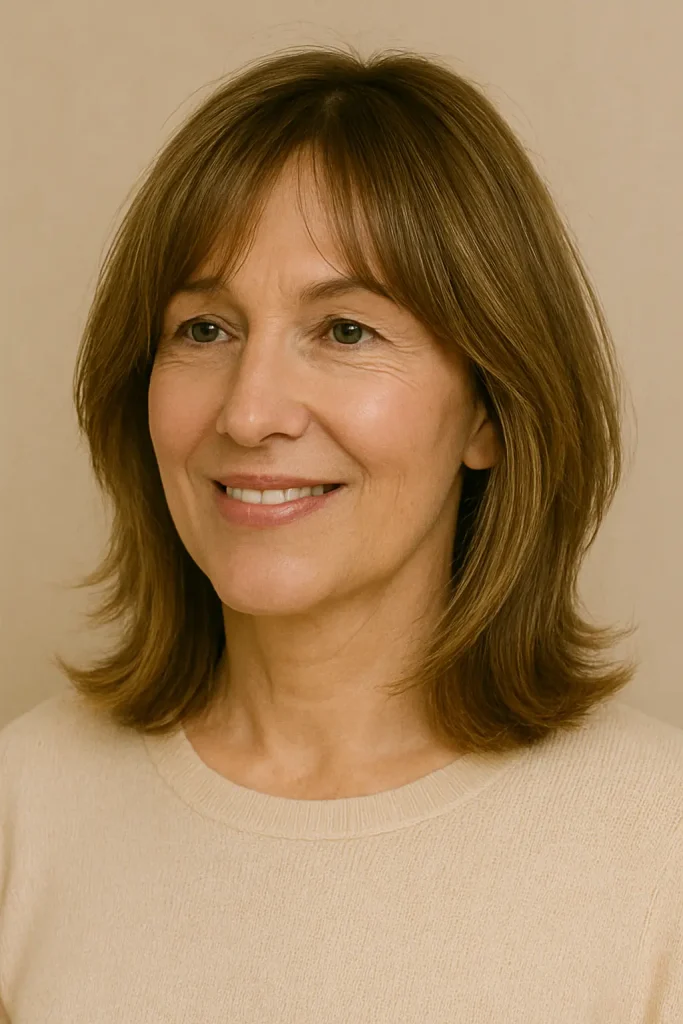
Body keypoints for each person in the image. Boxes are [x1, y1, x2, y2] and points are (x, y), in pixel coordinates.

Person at [1, 44, 681, 1022]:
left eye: (345, 331)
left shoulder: (657, 846)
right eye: (204, 329)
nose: (249, 412)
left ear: (488, 411)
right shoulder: (26, 805)